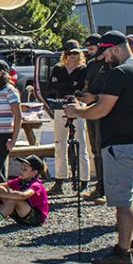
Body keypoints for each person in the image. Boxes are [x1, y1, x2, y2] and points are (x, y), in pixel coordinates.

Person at [64, 30, 133, 264]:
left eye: (105, 54)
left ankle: (122, 252)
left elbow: (102, 109)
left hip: (120, 144)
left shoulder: (120, 73)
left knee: (123, 201)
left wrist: (77, 112)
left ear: (114, 49)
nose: (104, 60)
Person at [42, 47, 90, 195]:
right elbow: (52, 86)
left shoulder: (83, 69)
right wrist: (70, 84)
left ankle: (84, 180)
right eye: (70, 53)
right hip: (60, 105)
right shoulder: (58, 68)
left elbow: (80, 88)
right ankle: (60, 179)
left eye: (75, 53)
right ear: (65, 55)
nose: (72, 56)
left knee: (80, 142)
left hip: (77, 105)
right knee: (59, 143)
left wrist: (66, 85)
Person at [80, 33, 110, 202]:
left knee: (102, 150)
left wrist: (95, 97)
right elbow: (86, 84)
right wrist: (83, 95)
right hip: (90, 110)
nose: (89, 52)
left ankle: (105, 189)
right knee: (95, 151)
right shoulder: (91, 65)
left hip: (103, 110)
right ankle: (99, 187)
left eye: (92, 48)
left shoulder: (109, 64)